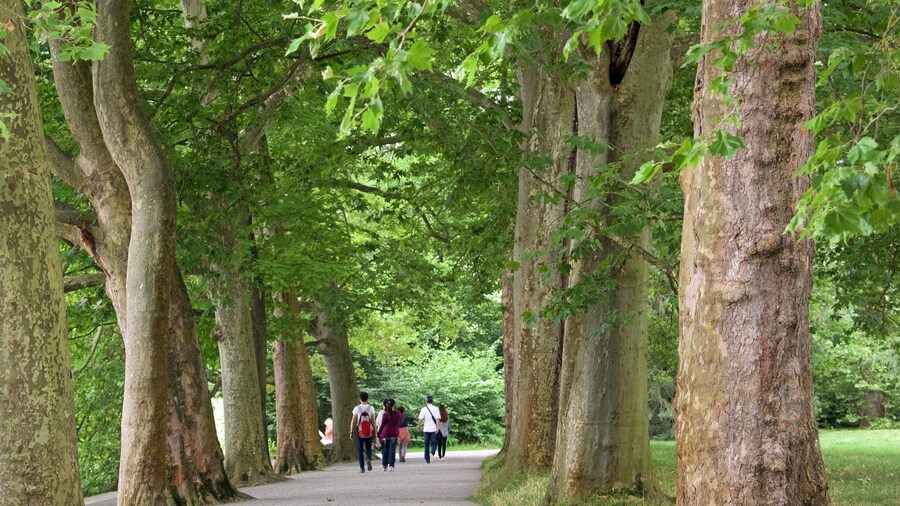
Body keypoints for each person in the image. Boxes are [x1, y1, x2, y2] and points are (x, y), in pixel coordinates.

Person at [350, 391, 376, 473]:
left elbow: (353, 421)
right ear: (367, 398)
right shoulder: (371, 408)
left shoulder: (356, 408)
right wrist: (375, 432)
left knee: (360, 450)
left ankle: (362, 468)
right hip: (369, 431)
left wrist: (351, 432)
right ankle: (368, 459)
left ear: (360, 399)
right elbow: (373, 421)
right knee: (368, 448)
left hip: (360, 431)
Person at [377, 399, 402, 471]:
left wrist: (378, 434)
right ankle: (391, 465)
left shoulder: (385, 414)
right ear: (394, 404)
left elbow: (382, 425)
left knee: (385, 450)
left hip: (385, 433)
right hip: (394, 433)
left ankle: (384, 465)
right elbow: (399, 423)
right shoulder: (398, 414)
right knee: (392, 450)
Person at [416, 395, 441, 463]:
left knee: (426, 444)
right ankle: (432, 453)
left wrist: (418, 426)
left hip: (426, 429)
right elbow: (437, 419)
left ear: (426, 401)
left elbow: (420, 419)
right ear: (432, 401)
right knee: (434, 443)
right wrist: (437, 428)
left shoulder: (423, 409)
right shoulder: (436, 408)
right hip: (434, 429)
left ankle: (427, 459)